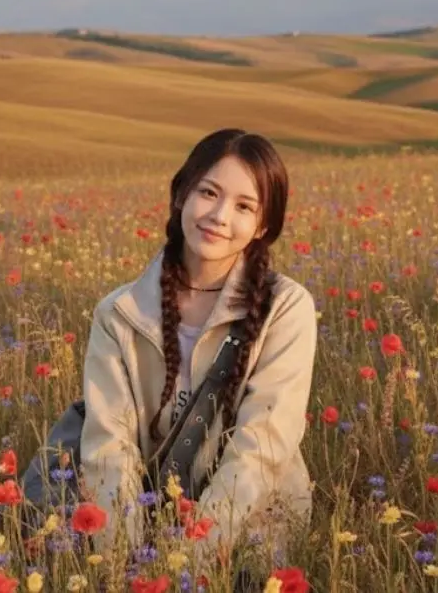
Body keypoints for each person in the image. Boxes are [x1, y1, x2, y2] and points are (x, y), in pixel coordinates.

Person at [78, 128, 318, 570]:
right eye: (209, 192)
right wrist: (124, 564)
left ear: (263, 226)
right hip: (149, 525)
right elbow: (107, 449)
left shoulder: (285, 307)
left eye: (245, 206)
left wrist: (190, 561)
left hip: (254, 531)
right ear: (181, 194)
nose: (220, 216)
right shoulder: (118, 313)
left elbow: (260, 448)